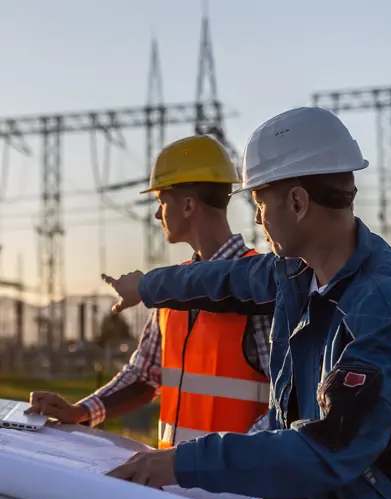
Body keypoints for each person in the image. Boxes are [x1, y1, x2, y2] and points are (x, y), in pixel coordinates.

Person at [102, 108, 391, 499]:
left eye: (260, 203)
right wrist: (145, 286)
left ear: (298, 203)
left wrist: (177, 463)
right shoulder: (298, 275)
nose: (258, 219)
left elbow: (327, 446)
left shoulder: (389, 308)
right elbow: (221, 278)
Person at [25, 134, 273, 449]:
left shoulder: (258, 293)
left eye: (161, 202)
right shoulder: (170, 291)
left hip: (237, 491)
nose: (157, 216)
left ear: (186, 206)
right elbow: (145, 376)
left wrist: (237, 469)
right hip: (174, 485)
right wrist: (82, 411)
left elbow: (285, 402)